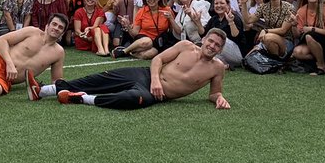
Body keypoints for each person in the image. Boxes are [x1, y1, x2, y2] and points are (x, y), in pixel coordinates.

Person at [37, 29, 231, 110]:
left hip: (154, 95)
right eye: (211, 41)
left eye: (217, 45)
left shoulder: (217, 68)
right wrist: (155, 79)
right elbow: (158, 59)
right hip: (146, 75)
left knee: (130, 100)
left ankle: (80, 98)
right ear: (204, 39)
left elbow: (214, 93)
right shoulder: (186, 46)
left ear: (220, 49)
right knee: (102, 79)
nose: (212, 46)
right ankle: (44, 90)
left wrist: (219, 98)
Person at [115, 0, 179, 59]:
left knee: (151, 54)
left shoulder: (167, 10)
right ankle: (124, 51)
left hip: (159, 41)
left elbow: (173, 31)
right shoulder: (141, 11)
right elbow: (134, 34)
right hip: (143, 39)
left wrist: (171, 19)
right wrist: (128, 26)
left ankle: (131, 53)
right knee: (147, 42)